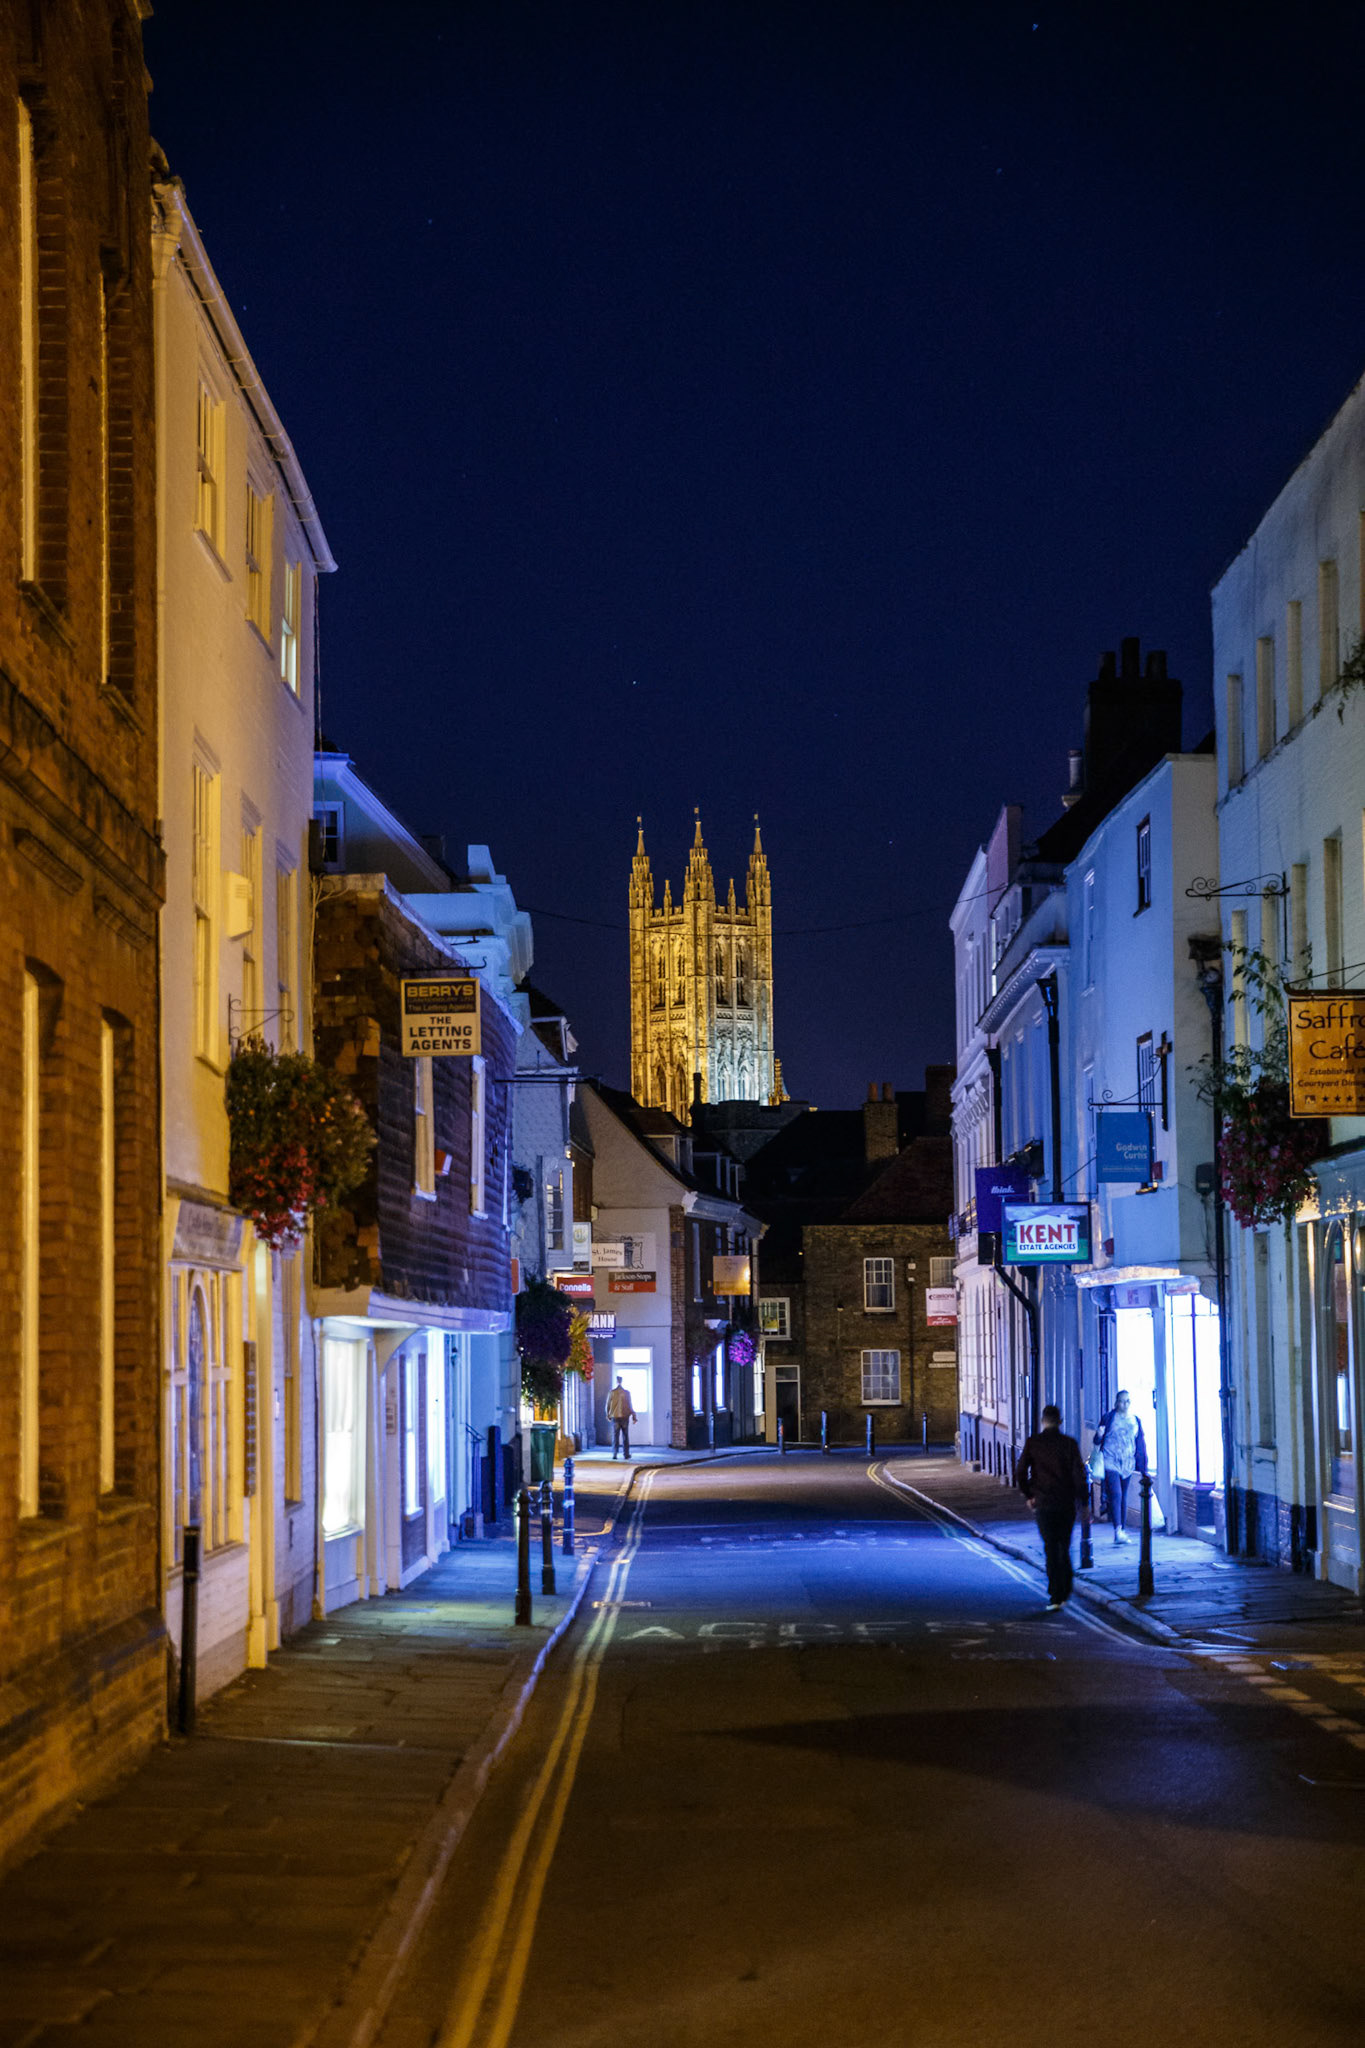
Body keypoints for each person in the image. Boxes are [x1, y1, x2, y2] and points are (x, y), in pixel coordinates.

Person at [1015, 1404, 1090, 1611]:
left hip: (1044, 1503)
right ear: (1060, 1421)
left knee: (1050, 1547)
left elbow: (1020, 1472)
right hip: (1066, 1503)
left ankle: (1055, 1593)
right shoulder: (1069, 1444)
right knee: (1064, 1547)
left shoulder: (1033, 1443)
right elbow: (1079, 1475)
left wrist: (1029, 1495)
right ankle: (1065, 1589)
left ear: (1042, 1421)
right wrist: (1084, 1503)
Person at [1093, 1389, 1148, 1545]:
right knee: (1116, 1494)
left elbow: (1140, 1444)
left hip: (1127, 1463)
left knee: (1123, 1496)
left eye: (1128, 1401)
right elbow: (1096, 1441)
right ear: (1116, 1402)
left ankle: (1121, 1530)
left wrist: (1144, 1468)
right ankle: (1118, 1530)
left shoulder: (1135, 1420)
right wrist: (1099, 1434)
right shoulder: (1109, 1418)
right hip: (1110, 1460)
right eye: (1122, 1401)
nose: (1125, 1404)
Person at [606, 1377, 637, 1460]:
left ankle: (615, 1454)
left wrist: (608, 1415)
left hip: (615, 1417)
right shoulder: (627, 1393)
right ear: (622, 1381)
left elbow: (608, 1405)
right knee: (625, 1436)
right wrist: (634, 1416)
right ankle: (626, 1454)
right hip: (625, 1416)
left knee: (615, 1436)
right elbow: (630, 1405)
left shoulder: (612, 1392)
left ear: (616, 1381)